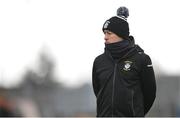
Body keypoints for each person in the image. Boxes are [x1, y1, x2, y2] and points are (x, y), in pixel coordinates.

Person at [92, 6, 156, 117]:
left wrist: (136, 113)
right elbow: (98, 92)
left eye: (109, 33)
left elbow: (149, 94)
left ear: (121, 35)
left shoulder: (142, 59)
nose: (105, 37)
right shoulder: (99, 61)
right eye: (104, 33)